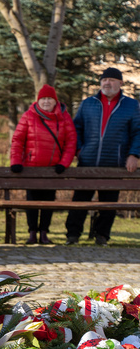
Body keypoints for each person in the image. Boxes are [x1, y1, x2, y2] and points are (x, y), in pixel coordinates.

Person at [65, 67, 140, 246]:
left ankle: (102, 236)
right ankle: (73, 235)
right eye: (104, 80)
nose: (107, 83)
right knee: (80, 200)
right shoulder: (87, 103)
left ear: (120, 83)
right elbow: (76, 128)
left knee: (109, 201)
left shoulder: (131, 105)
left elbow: (138, 132)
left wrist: (134, 155)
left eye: (112, 80)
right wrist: (79, 150)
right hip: (87, 161)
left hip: (114, 163)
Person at [9, 84, 77, 245]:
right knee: (32, 201)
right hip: (31, 168)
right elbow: (18, 140)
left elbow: (71, 142)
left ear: (55, 101)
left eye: (50, 99)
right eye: (43, 99)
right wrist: (16, 161)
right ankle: (32, 232)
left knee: (48, 201)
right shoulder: (28, 116)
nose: (46, 102)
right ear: (38, 100)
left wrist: (64, 164)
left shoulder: (64, 117)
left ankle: (44, 233)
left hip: (53, 169)